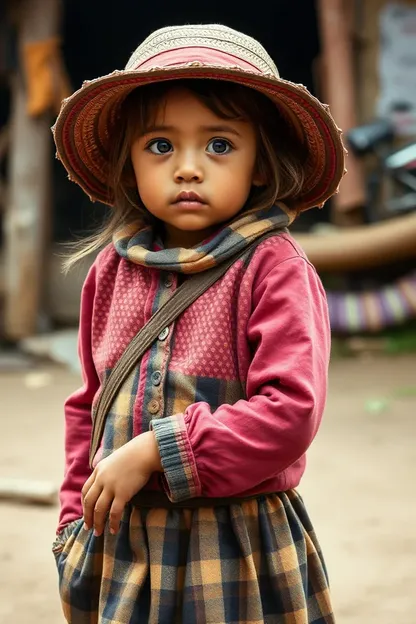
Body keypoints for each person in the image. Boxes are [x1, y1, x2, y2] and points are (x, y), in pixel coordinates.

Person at [52, 24, 346, 624]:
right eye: (160, 145)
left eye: (219, 145)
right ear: (128, 163)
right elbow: (89, 407)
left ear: (261, 164)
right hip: (123, 547)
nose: (188, 168)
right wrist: (71, 524)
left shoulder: (274, 269)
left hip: (236, 550)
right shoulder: (109, 272)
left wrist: (158, 451)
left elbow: (290, 412)